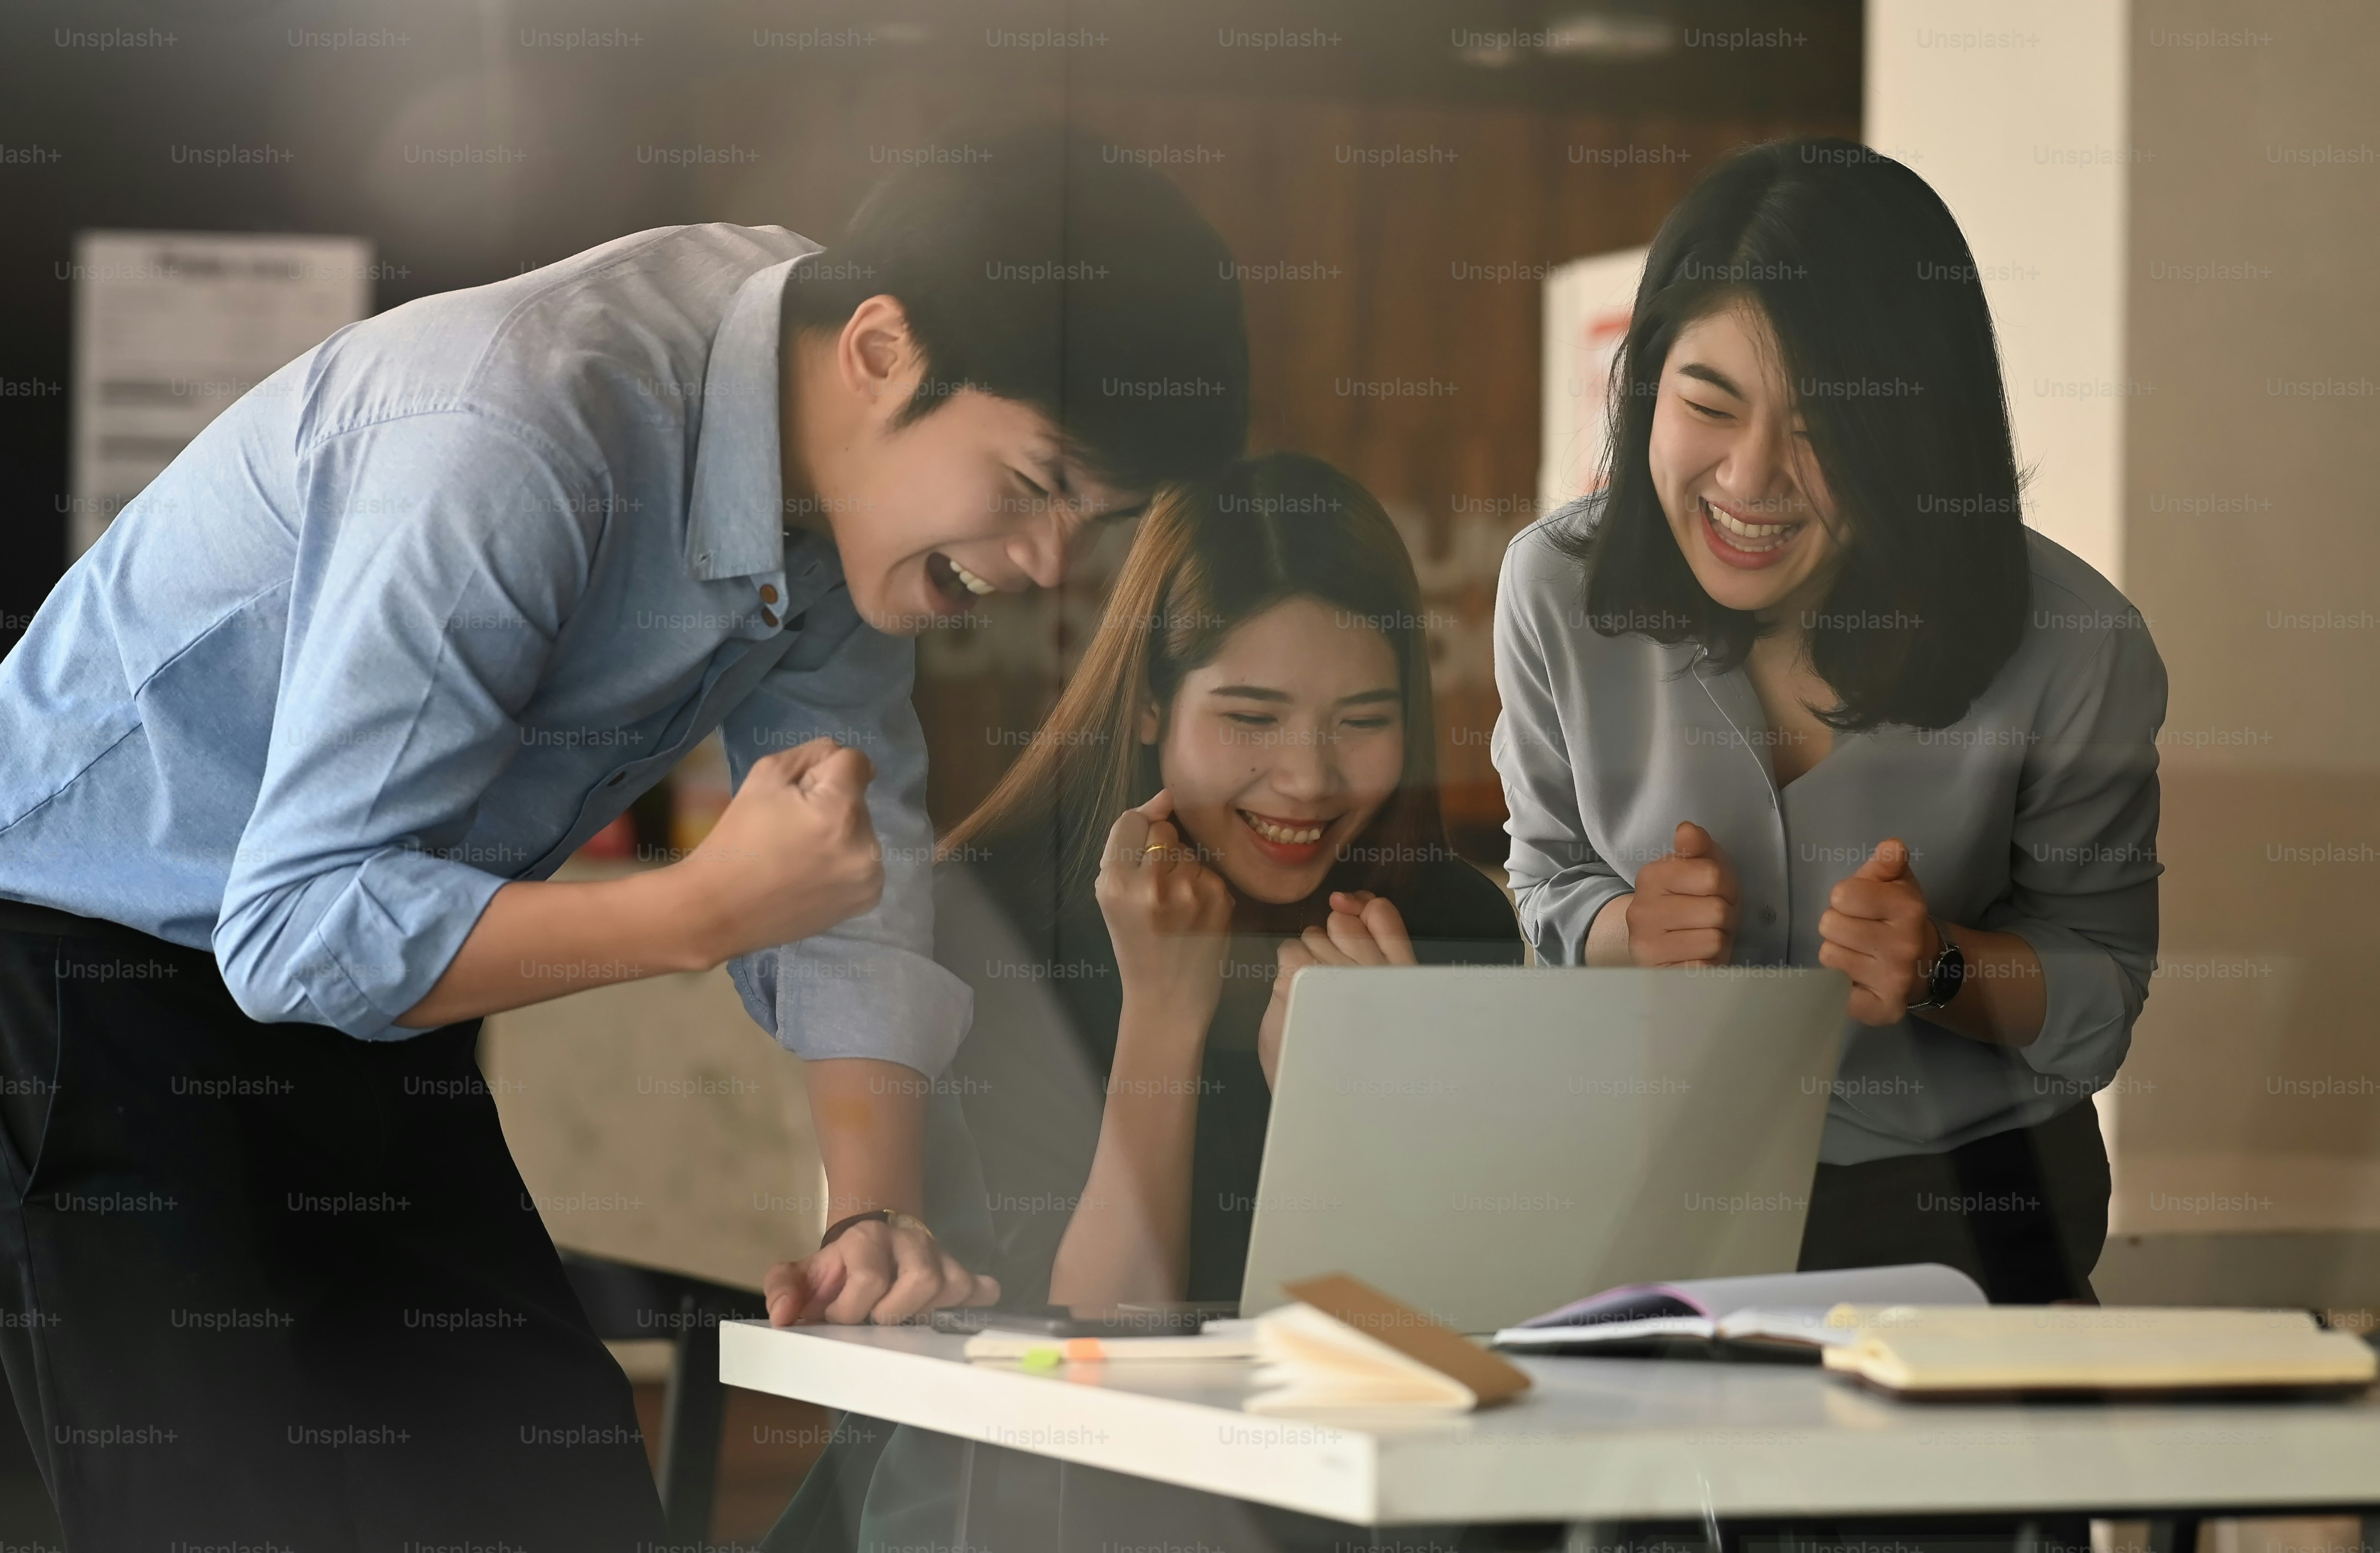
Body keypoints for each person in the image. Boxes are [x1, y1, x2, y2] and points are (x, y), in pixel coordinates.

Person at [0, 125, 1247, 1548]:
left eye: (1098, 521)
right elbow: (291, 931)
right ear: (884, 351)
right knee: (245, 1509)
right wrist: (696, 913)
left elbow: (854, 862)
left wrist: (871, 1220)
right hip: (81, 967)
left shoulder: (833, 458)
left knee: (559, 1490)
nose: (1047, 569)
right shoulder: (515, 437)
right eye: (1032, 490)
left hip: (376, 966)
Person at [761, 451, 1520, 1550]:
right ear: (1154, 705)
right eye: (1252, 719)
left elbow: (1470, 1344)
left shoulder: (1447, 921)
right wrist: (1163, 1013)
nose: (1309, 780)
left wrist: (1360, 1108)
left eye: (1362, 720)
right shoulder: (997, 925)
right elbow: (1091, 1363)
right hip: (1028, 1498)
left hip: (1333, 1487)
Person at [1493, 138, 2167, 1305]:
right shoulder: (1557, 590)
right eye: (1710, 404)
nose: (1751, 479)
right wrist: (1627, 933)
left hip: (1970, 1208)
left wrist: (1946, 965)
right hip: (1663, 1187)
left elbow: (2102, 984)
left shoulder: (2074, 647)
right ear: (1649, 385)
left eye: (1823, 430)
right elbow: (1547, 882)